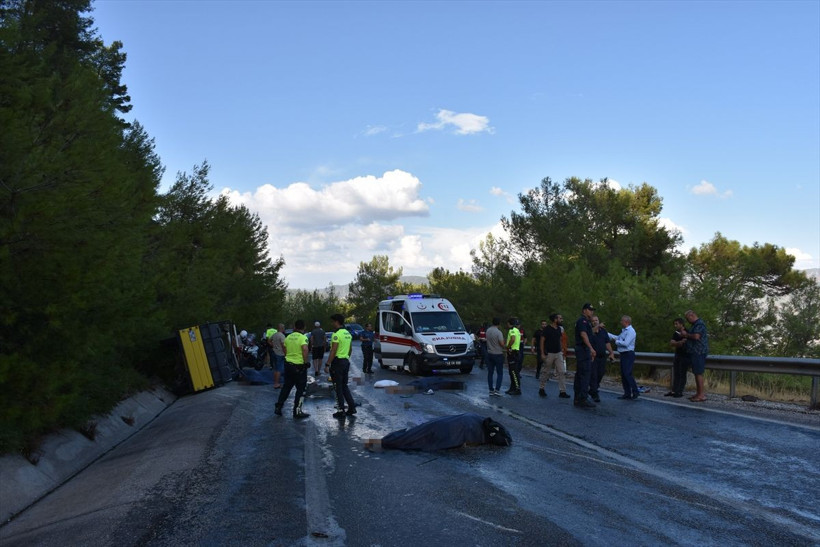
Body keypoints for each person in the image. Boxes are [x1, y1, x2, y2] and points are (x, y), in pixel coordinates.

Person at [274, 320, 310, 419]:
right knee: (301, 389)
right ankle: (297, 411)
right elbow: (305, 349)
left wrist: (289, 357)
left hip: (288, 365)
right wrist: (305, 362)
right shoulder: (303, 337)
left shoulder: (288, 337)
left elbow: (284, 349)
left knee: (287, 387)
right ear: (304, 327)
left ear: (295, 327)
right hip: (299, 366)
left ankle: (279, 406)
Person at [325, 313, 356, 418]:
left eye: (333, 321)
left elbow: (333, 350)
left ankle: (340, 410)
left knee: (337, 387)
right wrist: (346, 358)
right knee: (344, 386)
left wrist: (327, 363)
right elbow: (350, 349)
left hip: (337, 363)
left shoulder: (336, 334)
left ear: (337, 322)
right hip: (345, 361)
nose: (332, 323)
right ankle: (352, 407)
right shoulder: (348, 333)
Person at [539, 314, 571, 398]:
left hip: (558, 353)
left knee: (562, 372)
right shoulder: (547, 329)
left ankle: (562, 391)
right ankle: (542, 388)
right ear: (555, 319)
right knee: (546, 371)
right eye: (560, 318)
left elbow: (560, 340)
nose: (562, 320)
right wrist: (542, 353)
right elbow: (542, 341)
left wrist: (562, 350)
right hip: (549, 353)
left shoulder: (559, 329)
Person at [609, 315, 638, 400]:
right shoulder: (624, 331)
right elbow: (618, 338)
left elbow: (626, 343)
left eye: (622, 321)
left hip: (628, 354)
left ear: (626, 322)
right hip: (624, 354)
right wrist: (608, 334)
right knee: (624, 374)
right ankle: (627, 393)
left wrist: (616, 341)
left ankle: (635, 391)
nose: (620, 322)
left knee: (627, 373)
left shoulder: (631, 331)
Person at [573, 303, 597, 408]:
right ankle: (582, 398)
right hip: (583, 349)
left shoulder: (586, 322)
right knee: (585, 374)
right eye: (590, 310)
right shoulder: (582, 321)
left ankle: (578, 397)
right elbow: (583, 335)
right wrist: (591, 348)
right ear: (584, 310)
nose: (592, 312)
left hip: (583, 350)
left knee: (581, 373)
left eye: (592, 310)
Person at [684, 310, 709, 402]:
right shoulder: (695, 325)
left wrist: (686, 335)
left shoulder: (699, 324)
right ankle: (698, 393)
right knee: (696, 373)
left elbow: (696, 336)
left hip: (699, 351)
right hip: (694, 352)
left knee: (698, 373)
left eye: (688, 319)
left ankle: (701, 395)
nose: (688, 321)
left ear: (692, 315)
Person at [589, 315, 614, 402]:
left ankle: (593, 389)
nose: (595, 322)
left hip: (602, 356)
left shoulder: (603, 331)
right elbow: (590, 334)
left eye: (596, 320)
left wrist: (611, 352)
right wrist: (597, 326)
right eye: (593, 321)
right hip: (593, 357)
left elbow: (607, 342)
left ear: (599, 321)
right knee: (594, 375)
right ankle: (594, 393)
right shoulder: (590, 331)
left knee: (601, 373)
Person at [666, 318, 689, 398]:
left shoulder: (687, 332)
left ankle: (680, 391)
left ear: (681, 324)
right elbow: (672, 343)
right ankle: (674, 390)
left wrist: (677, 343)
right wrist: (678, 343)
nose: (675, 325)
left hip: (685, 355)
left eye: (676, 324)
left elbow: (684, 343)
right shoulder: (676, 333)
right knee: (676, 373)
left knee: (682, 373)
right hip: (677, 354)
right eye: (674, 324)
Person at [485, 317, 505, 396]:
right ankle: (497, 390)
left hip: (490, 353)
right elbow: (501, 343)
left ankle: (491, 389)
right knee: (499, 373)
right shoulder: (498, 332)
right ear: (499, 323)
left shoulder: (488, 331)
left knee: (490, 372)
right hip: (498, 353)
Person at [505, 318, 522, 395]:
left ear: (509, 323)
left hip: (512, 352)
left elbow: (513, 339)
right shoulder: (517, 330)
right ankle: (512, 388)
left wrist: (508, 347)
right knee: (512, 371)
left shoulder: (511, 330)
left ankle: (517, 389)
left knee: (513, 372)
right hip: (516, 352)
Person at [270, 323, 286, 389]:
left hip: (274, 352)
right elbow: (283, 346)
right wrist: (286, 353)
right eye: (284, 328)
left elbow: (269, 340)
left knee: (276, 369)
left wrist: (273, 345)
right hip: (280, 354)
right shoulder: (282, 336)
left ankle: (275, 382)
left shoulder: (274, 335)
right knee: (279, 369)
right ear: (282, 328)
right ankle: (277, 384)